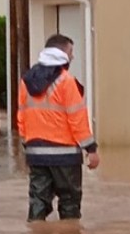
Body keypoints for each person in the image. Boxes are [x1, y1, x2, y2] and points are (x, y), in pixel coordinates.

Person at [18, 34, 100, 221]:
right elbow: (77, 119)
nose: (73, 57)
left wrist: (27, 145)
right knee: (70, 204)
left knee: (37, 203)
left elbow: (21, 117)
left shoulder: (26, 81)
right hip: (65, 157)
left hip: (37, 155)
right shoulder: (66, 81)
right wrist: (91, 149)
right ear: (62, 53)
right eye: (71, 51)